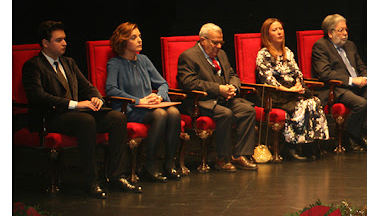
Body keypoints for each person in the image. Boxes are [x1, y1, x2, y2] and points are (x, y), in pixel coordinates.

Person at [22, 20, 142, 198]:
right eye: (59, 40)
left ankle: (117, 176)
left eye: (65, 39)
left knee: (117, 118)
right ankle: (91, 181)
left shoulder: (68, 62)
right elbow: (37, 96)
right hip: (51, 115)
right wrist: (75, 104)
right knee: (85, 120)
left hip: (75, 114)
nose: (65, 43)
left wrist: (96, 97)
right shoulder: (33, 66)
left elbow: (87, 86)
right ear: (45, 43)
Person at [106, 22, 182, 182]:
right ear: (123, 41)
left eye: (139, 36)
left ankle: (169, 163)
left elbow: (162, 84)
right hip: (129, 109)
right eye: (134, 37)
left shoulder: (144, 60)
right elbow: (111, 90)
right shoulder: (115, 63)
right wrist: (139, 100)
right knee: (161, 114)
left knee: (174, 113)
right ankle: (149, 164)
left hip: (149, 107)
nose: (140, 40)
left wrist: (159, 97)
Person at [177, 23, 257, 171]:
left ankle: (240, 155)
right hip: (201, 102)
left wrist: (234, 87)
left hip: (224, 98)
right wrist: (218, 89)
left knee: (248, 110)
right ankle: (222, 159)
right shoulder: (188, 56)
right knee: (225, 114)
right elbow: (189, 83)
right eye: (215, 42)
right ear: (202, 40)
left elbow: (232, 75)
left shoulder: (222, 55)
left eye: (221, 42)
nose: (219, 46)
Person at [311, 14, 367, 152]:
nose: (345, 34)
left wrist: (366, 78)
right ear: (330, 33)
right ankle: (353, 138)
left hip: (358, 87)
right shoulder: (321, 46)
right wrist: (351, 80)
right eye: (341, 30)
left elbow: (363, 67)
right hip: (337, 88)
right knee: (361, 103)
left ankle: (357, 134)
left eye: (346, 30)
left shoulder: (350, 46)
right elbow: (324, 73)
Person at [255, 18, 329, 161]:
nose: (279, 32)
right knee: (301, 105)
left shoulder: (287, 52)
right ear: (267, 34)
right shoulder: (263, 54)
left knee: (314, 102)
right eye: (274, 30)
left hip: (293, 91)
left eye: (280, 29)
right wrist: (288, 90)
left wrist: (298, 86)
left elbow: (298, 73)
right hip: (276, 94)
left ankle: (310, 145)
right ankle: (290, 146)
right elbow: (267, 79)